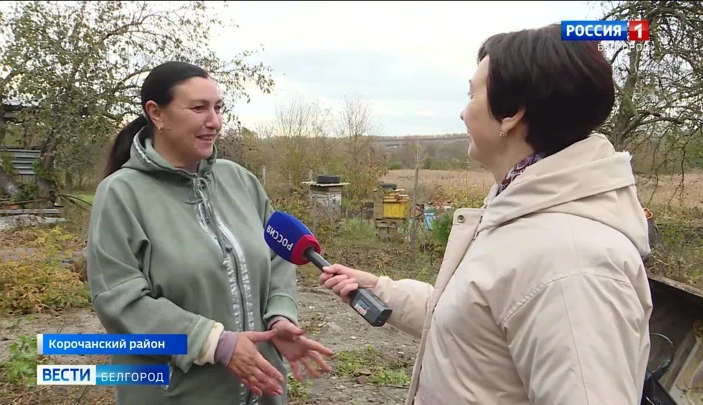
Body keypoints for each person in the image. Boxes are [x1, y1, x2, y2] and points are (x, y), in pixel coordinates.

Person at [320, 24, 653, 405]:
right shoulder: (523, 215)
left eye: (472, 94)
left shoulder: (571, 263)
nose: (463, 113)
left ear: (511, 114)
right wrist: (380, 289)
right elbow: (476, 320)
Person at [86, 61, 333, 405]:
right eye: (198, 108)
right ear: (156, 114)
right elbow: (120, 301)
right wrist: (214, 343)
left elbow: (277, 255)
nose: (214, 121)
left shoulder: (240, 181)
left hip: (260, 393)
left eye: (218, 108)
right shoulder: (121, 194)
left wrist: (280, 315)